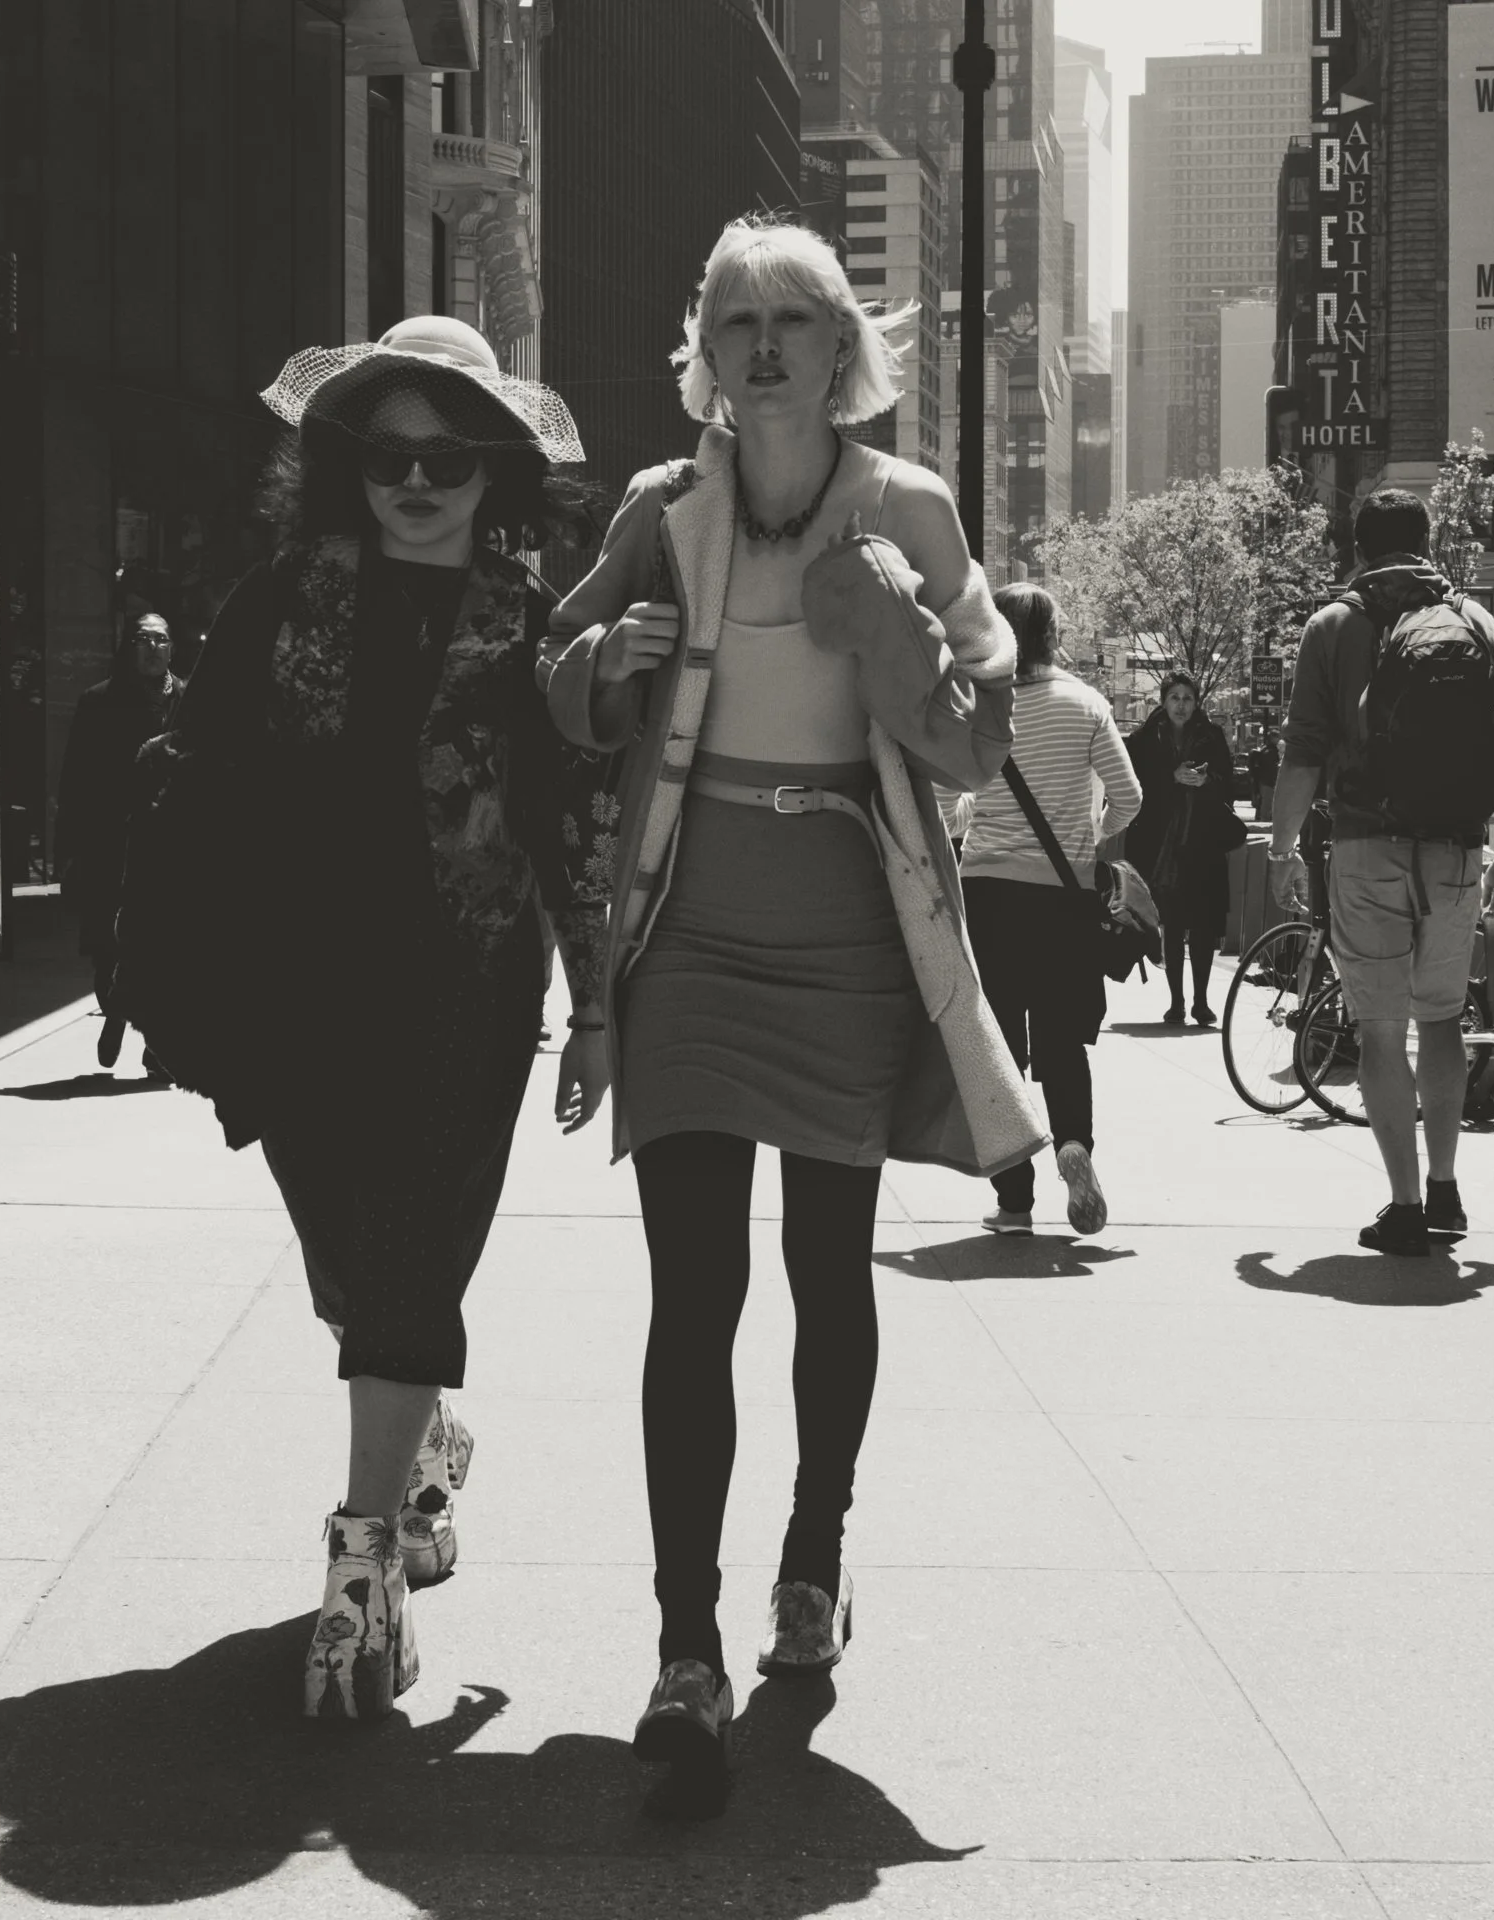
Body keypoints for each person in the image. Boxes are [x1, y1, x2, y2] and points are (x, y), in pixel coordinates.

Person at [540, 216, 1044, 1808]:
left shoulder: (912, 508)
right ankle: (685, 1653)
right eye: (736, 317)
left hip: (849, 939)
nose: (763, 342)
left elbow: (975, 733)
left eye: (797, 318)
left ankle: (811, 1557)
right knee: (692, 1297)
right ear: (704, 349)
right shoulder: (660, 510)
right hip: (683, 935)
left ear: (846, 355)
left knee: (829, 1272)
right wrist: (603, 667)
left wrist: (893, 621)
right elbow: (559, 680)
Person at [117, 315, 612, 1721]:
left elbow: (570, 819)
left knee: (403, 1265)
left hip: (466, 988)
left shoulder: (534, 622)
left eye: (446, 455)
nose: (415, 479)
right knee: (348, 1259)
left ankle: (362, 1564)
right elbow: (196, 772)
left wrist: (594, 1008)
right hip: (297, 986)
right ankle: (424, 1438)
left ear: (492, 469)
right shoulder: (281, 596)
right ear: (350, 464)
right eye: (388, 454)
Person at [1270, 487, 1494, 1254]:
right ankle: (1448, 1188)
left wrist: (1282, 852)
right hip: (1455, 846)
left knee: (1380, 1029)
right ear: (1424, 541)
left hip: (1364, 845)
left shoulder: (1334, 626)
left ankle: (1406, 1205)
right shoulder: (1476, 622)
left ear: (1358, 546)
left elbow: (1303, 755)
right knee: (1442, 1018)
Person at [951, 585, 1142, 1237]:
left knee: (999, 1043)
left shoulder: (980, 706)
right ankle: (1074, 1146)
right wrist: (1087, 832)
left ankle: (1014, 1200)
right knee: (1062, 1035)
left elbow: (949, 799)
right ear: (1055, 632)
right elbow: (1131, 797)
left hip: (991, 896)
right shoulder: (1086, 704)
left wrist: (976, 816)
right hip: (1065, 895)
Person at [55, 612, 185, 1070]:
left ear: (173, 647)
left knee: (167, 946)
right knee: (107, 943)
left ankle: (157, 1045)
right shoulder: (100, 702)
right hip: (112, 843)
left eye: (161, 640)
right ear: (129, 646)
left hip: (171, 846)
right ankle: (114, 1010)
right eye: (144, 639)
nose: (153, 647)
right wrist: (68, 847)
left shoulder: (190, 699)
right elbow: (75, 779)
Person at [1125, 672, 1239, 1026]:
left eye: (1187, 698)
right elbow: (1132, 787)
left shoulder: (1211, 736)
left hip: (1202, 843)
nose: (1181, 705)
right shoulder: (1144, 739)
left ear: (1196, 702)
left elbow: (1230, 785)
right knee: (1171, 925)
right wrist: (1169, 778)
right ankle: (1176, 1001)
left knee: (1204, 925)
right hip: (1161, 846)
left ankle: (1201, 1002)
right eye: (1174, 697)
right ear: (1163, 700)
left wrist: (1207, 781)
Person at [1248, 736, 1280, 823]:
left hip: (1264, 780)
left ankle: (1263, 817)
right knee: (1267, 801)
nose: (1279, 739)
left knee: (1265, 800)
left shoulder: (1265, 750)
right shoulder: (1270, 752)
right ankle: (1264, 819)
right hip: (1268, 781)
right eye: (1277, 737)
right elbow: (1271, 767)